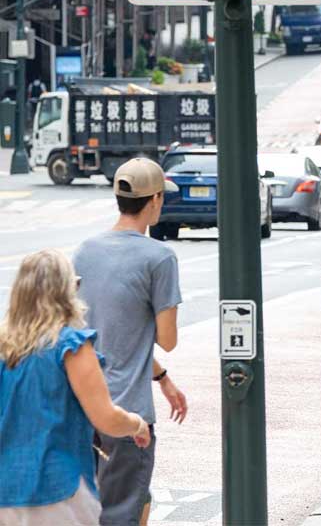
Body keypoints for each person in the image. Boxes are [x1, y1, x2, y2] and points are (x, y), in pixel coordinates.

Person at [72, 158, 187, 526]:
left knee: (91, 510)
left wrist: (162, 378)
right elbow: (166, 339)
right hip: (128, 416)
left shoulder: (85, 250)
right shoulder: (159, 257)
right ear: (154, 201)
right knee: (122, 512)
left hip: (80, 405)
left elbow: (101, 333)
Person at [0, 250, 152, 524]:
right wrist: (137, 424)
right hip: (58, 489)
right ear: (65, 293)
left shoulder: (4, 347)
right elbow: (105, 417)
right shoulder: (71, 346)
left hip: (6, 490)